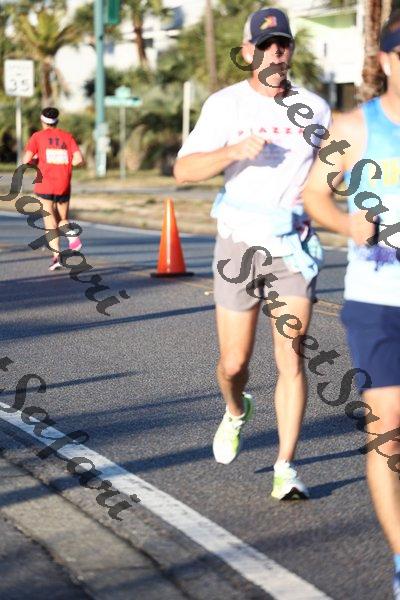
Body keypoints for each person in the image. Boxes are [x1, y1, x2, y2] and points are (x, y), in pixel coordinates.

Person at [174, 7, 331, 499]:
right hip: (239, 242)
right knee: (234, 362)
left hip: (292, 247)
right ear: (247, 53)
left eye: (281, 44)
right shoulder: (225, 106)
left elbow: (331, 171)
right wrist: (231, 152)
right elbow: (183, 171)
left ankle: (286, 467)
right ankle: (237, 410)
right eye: (264, 46)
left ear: (290, 51)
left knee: (291, 357)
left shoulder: (316, 108)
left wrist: (339, 183)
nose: (274, 52)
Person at [303, 11, 400, 597]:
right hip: (377, 301)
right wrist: (346, 222)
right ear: (388, 59)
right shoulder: (353, 127)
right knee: (388, 427)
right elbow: (316, 192)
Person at [22, 107, 84, 271]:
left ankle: (56, 257)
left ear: (42, 121)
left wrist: (37, 161)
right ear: (57, 121)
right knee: (62, 218)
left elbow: (26, 160)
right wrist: (63, 162)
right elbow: (78, 160)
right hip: (64, 183)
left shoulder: (37, 137)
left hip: (45, 184)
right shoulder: (67, 137)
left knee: (50, 221)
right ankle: (72, 238)